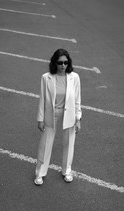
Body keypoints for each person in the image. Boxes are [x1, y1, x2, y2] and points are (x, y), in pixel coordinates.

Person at [34, 48, 82, 186]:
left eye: (66, 62)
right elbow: (42, 99)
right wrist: (40, 119)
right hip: (52, 113)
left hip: (70, 114)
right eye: (60, 63)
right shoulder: (46, 77)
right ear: (55, 62)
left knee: (69, 143)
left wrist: (78, 118)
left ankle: (67, 170)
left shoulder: (75, 77)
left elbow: (78, 100)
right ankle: (40, 173)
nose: (63, 66)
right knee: (46, 144)